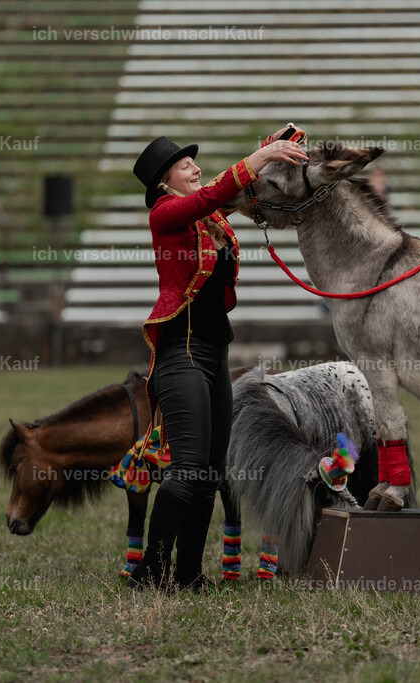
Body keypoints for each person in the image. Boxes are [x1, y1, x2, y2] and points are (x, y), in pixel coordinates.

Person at [126, 127, 308, 591]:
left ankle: (187, 574)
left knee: (209, 473)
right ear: (164, 181)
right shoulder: (165, 213)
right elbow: (214, 193)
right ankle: (151, 571)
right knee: (188, 469)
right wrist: (261, 155)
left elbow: (229, 193)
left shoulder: (205, 216)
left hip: (213, 353)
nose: (196, 168)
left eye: (194, 163)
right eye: (185, 165)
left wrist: (272, 153)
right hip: (181, 353)